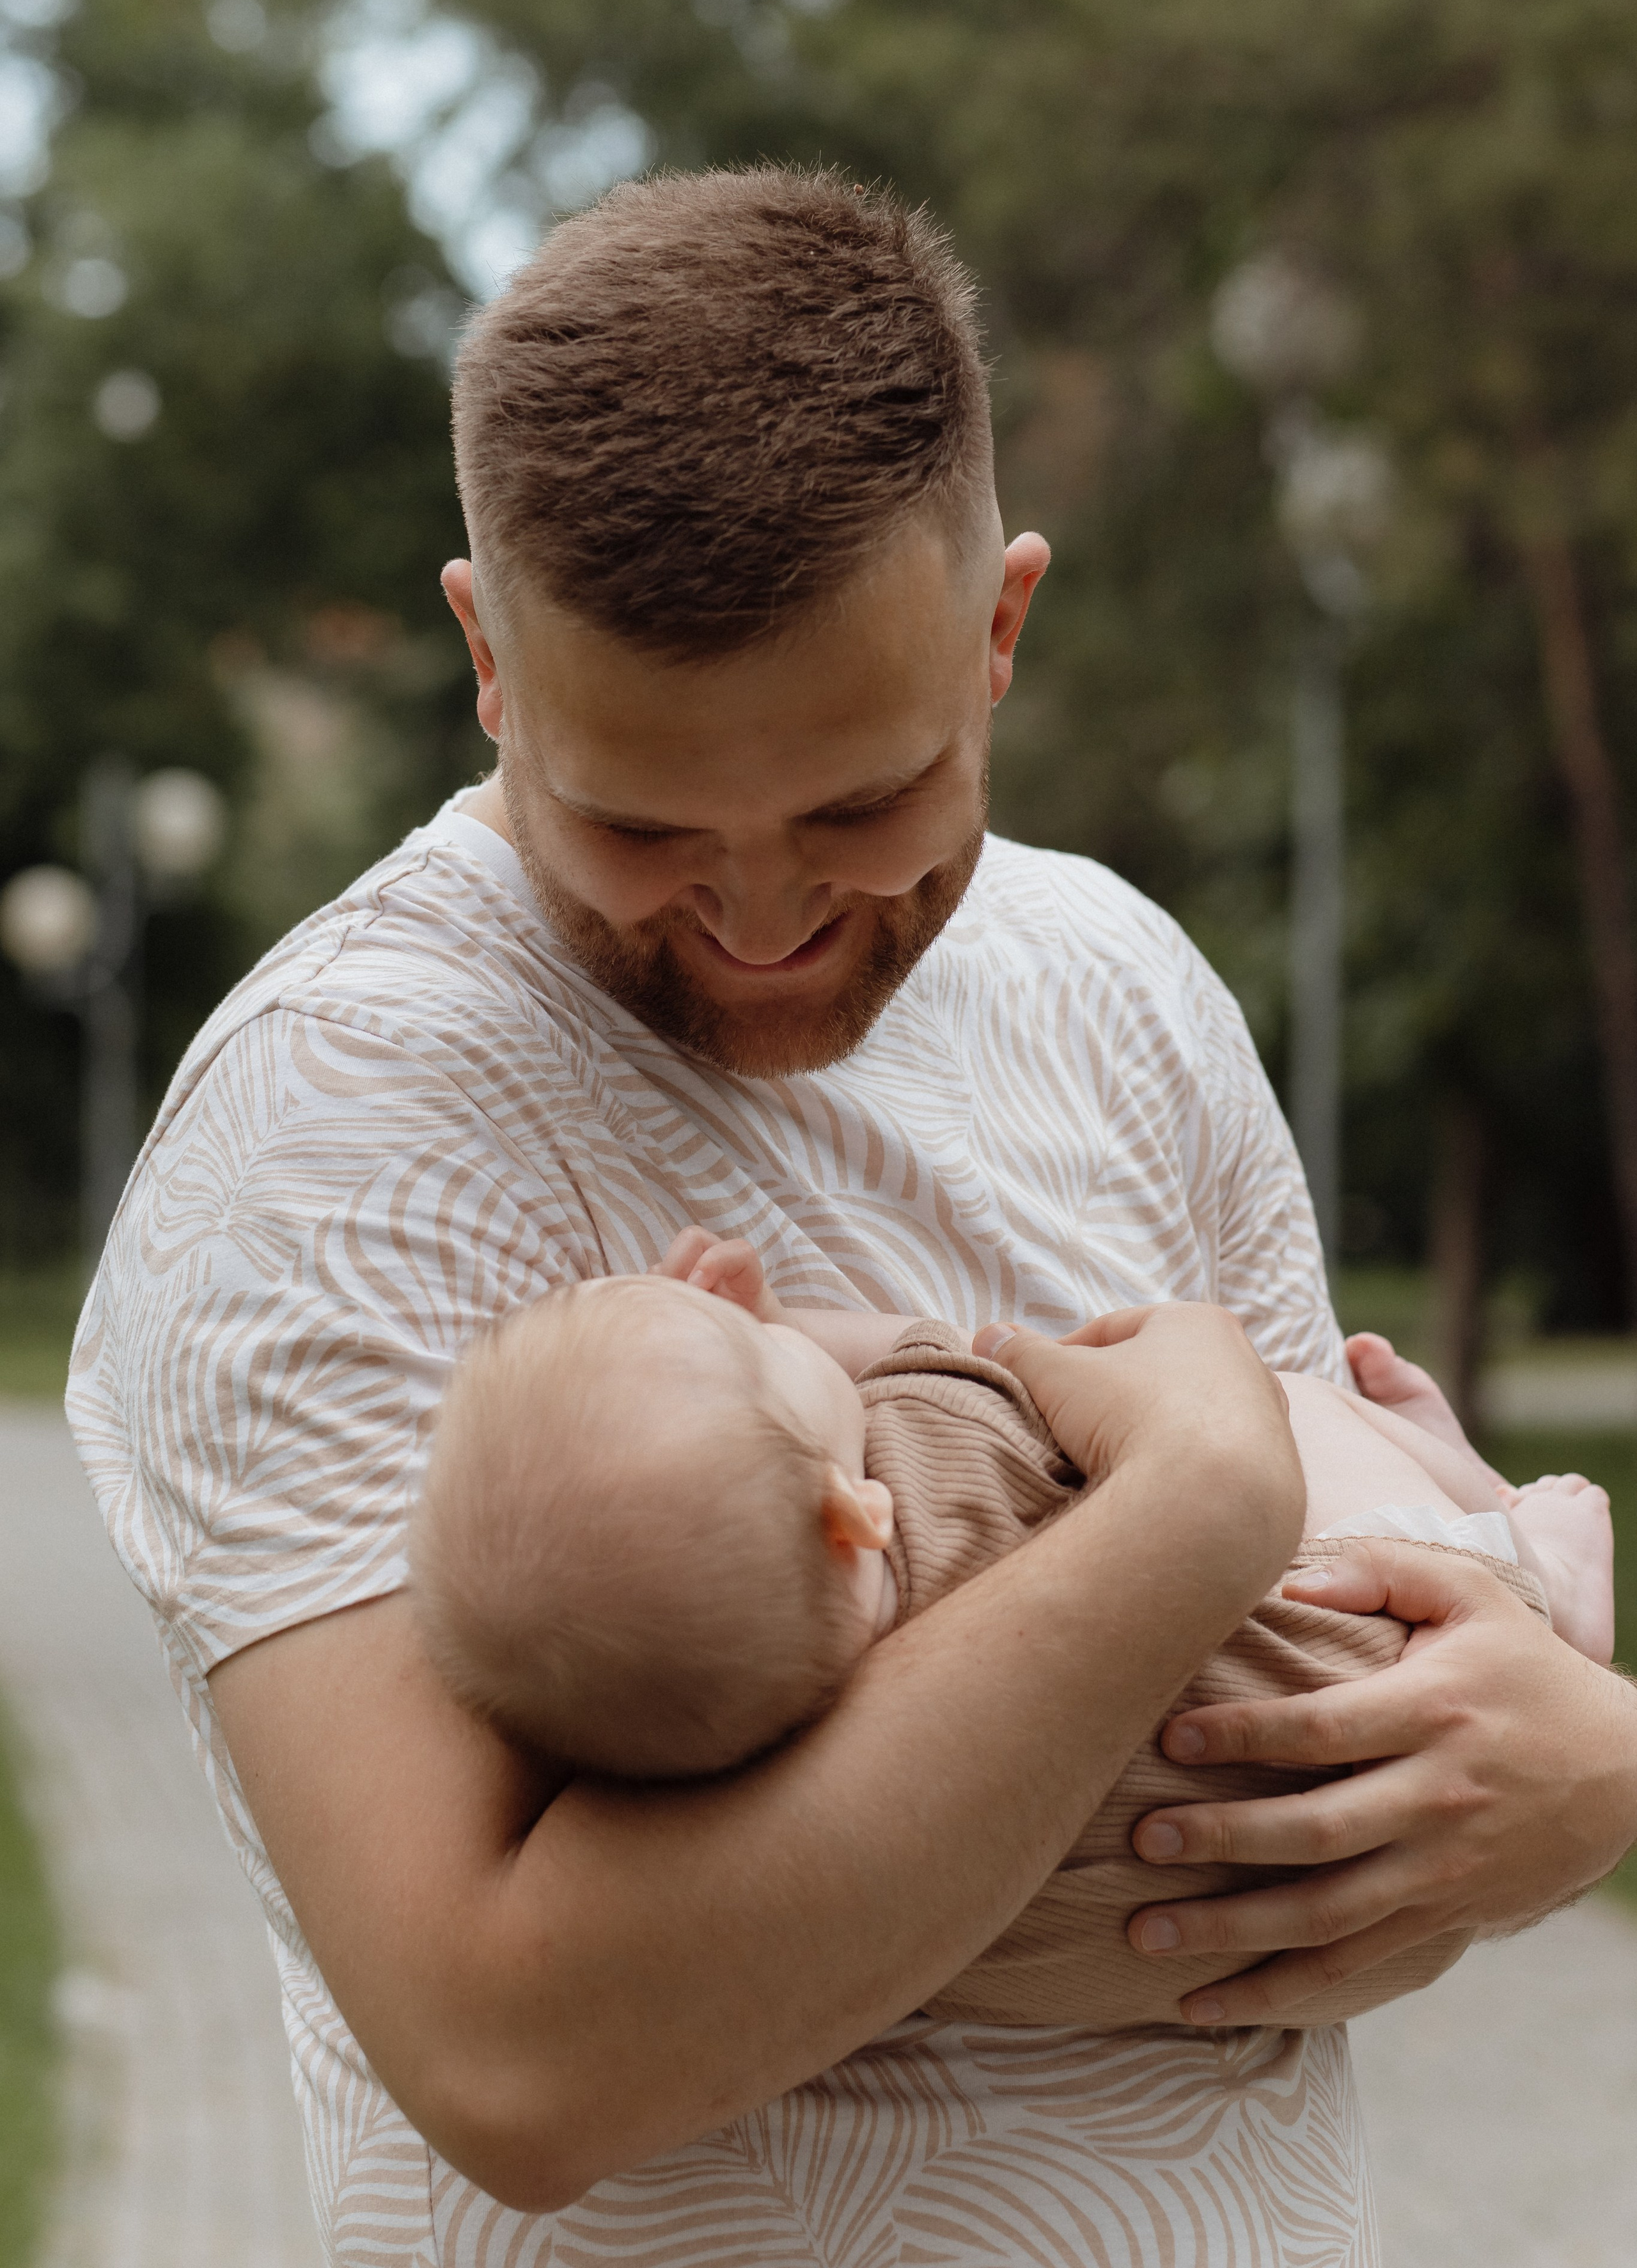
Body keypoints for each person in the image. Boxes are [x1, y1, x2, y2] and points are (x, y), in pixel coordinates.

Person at [67, 166, 1637, 2268]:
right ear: (488, 660)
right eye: (640, 824)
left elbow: (1368, 1651)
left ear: (1001, 629)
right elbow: (524, 2064)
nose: (766, 913)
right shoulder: (336, 1123)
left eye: (860, 803)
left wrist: (1579, 1774)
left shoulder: (1120, 991)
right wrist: (1184, 1514)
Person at [407, 1241, 1608, 2037]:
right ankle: (1538, 1556)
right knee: (1259, 1402)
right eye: (764, 1366)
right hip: (1392, 1643)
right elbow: (973, 1358)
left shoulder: (771, 1824)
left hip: (1307, 1948)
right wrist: (784, 1326)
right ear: (852, 1515)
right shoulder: (934, 1456)